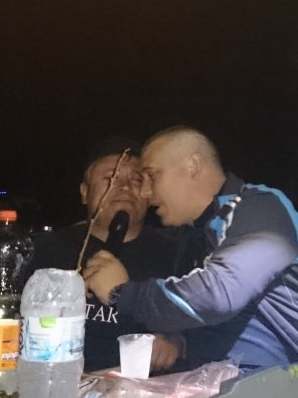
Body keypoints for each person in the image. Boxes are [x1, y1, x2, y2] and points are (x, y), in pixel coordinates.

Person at [84, 126, 298, 372]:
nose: (145, 193)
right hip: (246, 385)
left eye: (153, 176)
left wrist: (121, 292)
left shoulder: (261, 206)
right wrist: (182, 343)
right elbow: (239, 321)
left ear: (193, 165)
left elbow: (218, 295)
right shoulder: (201, 234)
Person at [25, 137, 197, 373]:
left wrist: (176, 341)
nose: (124, 187)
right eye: (110, 179)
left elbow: (206, 322)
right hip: (60, 380)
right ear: (85, 192)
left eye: (136, 180)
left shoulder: (177, 251)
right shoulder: (45, 249)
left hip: (144, 386)